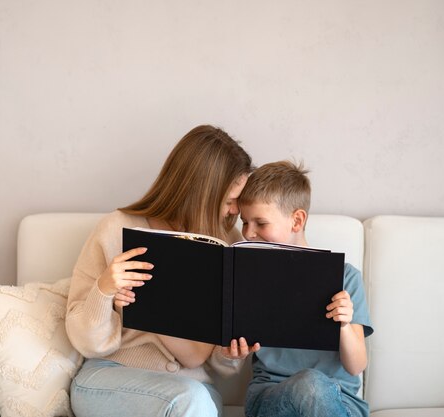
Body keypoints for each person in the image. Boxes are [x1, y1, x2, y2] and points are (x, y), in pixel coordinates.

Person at [66, 125, 260, 417]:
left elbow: (213, 364)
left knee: (195, 400)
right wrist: (104, 290)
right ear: (202, 192)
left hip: (193, 388)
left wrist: (229, 354)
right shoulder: (116, 229)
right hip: (111, 377)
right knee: (190, 400)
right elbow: (86, 342)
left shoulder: (228, 243)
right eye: (230, 200)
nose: (235, 211)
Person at [238, 161, 374, 417]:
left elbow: (356, 367)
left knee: (311, 384)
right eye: (244, 222)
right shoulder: (248, 276)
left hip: (339, 402)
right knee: (307, 384)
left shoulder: (345, 277)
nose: (248, 233)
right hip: (270, 398)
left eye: (260, 223)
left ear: (297, 220)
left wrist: (344, 325)